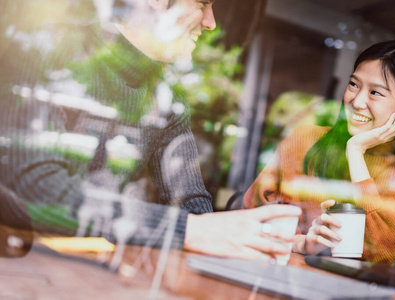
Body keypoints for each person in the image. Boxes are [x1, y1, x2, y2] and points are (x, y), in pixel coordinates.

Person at [0, 0, 300, 260]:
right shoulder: (46, 45)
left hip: (94, 271)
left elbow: (191, 202)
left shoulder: (168, 92)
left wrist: (264, 239)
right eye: (202, 4)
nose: (211, 22)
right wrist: (188, 231)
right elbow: (32, 187)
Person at [243, 40, 395, 263]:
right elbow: (252, 216)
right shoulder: (305, 138)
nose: (357, 101)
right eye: (354, 85)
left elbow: (378, 249)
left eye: (375, 92)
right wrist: (302, 242)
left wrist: (355, 151)